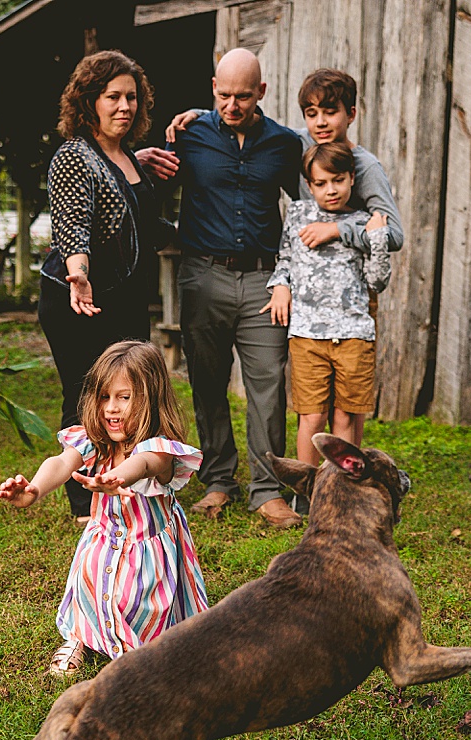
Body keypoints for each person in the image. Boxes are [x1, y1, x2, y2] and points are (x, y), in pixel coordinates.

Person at [136, 48, 304, 530]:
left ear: (262, 93)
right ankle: (217, 480)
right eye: (224, 95)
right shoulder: (189, 135)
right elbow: (151, 193)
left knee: (268, 385)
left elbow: (307, 210)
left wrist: (289, 277)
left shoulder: (285, 144)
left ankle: (269, 489)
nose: (232, 105)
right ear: (213, 88)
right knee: (207, 381)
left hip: (263, 280)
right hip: (202, 274)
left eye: (243, 96)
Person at [0, 341, 209, 677]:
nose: (111, 408)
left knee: (143, 603)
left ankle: (141, 644)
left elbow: (144, 463)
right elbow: (61, 462)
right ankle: (79, 636)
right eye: (104, 397)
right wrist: (35, 489)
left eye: (124, 398)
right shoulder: (94, 441)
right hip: (102, 539)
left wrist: (116, 476)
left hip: (148, 550)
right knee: (87, 584)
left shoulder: (161, 449)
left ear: (150, 399)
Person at [39, 50, 165, 522]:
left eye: (131, 97)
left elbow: (138, 223)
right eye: (113, 96)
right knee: (87, 393)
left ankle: (122, 479)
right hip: (80, 297)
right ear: (89, 101)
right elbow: (73, 221)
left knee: (129, 390)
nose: (124, 106)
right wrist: (79, 273)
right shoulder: (74, 156)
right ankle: (82, 504)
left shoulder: (127, 156)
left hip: (124, 296)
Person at [161, 68, 404, 257]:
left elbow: (393, 235)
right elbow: (249, 124)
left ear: (350, 114)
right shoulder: (296, 143)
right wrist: (199, 116)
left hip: (348, 282)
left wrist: (337, 230)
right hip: (305, 277)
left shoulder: (365, 167)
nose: (320, 122)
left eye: (330, 112)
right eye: (312, 114)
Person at [264, 142, 392, 463]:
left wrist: (377, 240)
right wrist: (280, 285)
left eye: (338, 180)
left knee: (345, 418)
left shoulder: (365, 222)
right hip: (307, 335)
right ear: (309, 186)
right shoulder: (298, 213)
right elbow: (286, 258)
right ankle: (307, 490)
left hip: (353, 335)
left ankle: (341, 490)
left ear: (352, 178)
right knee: (311, 417)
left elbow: (378, 281)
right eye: (320, 184)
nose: (330, 190)